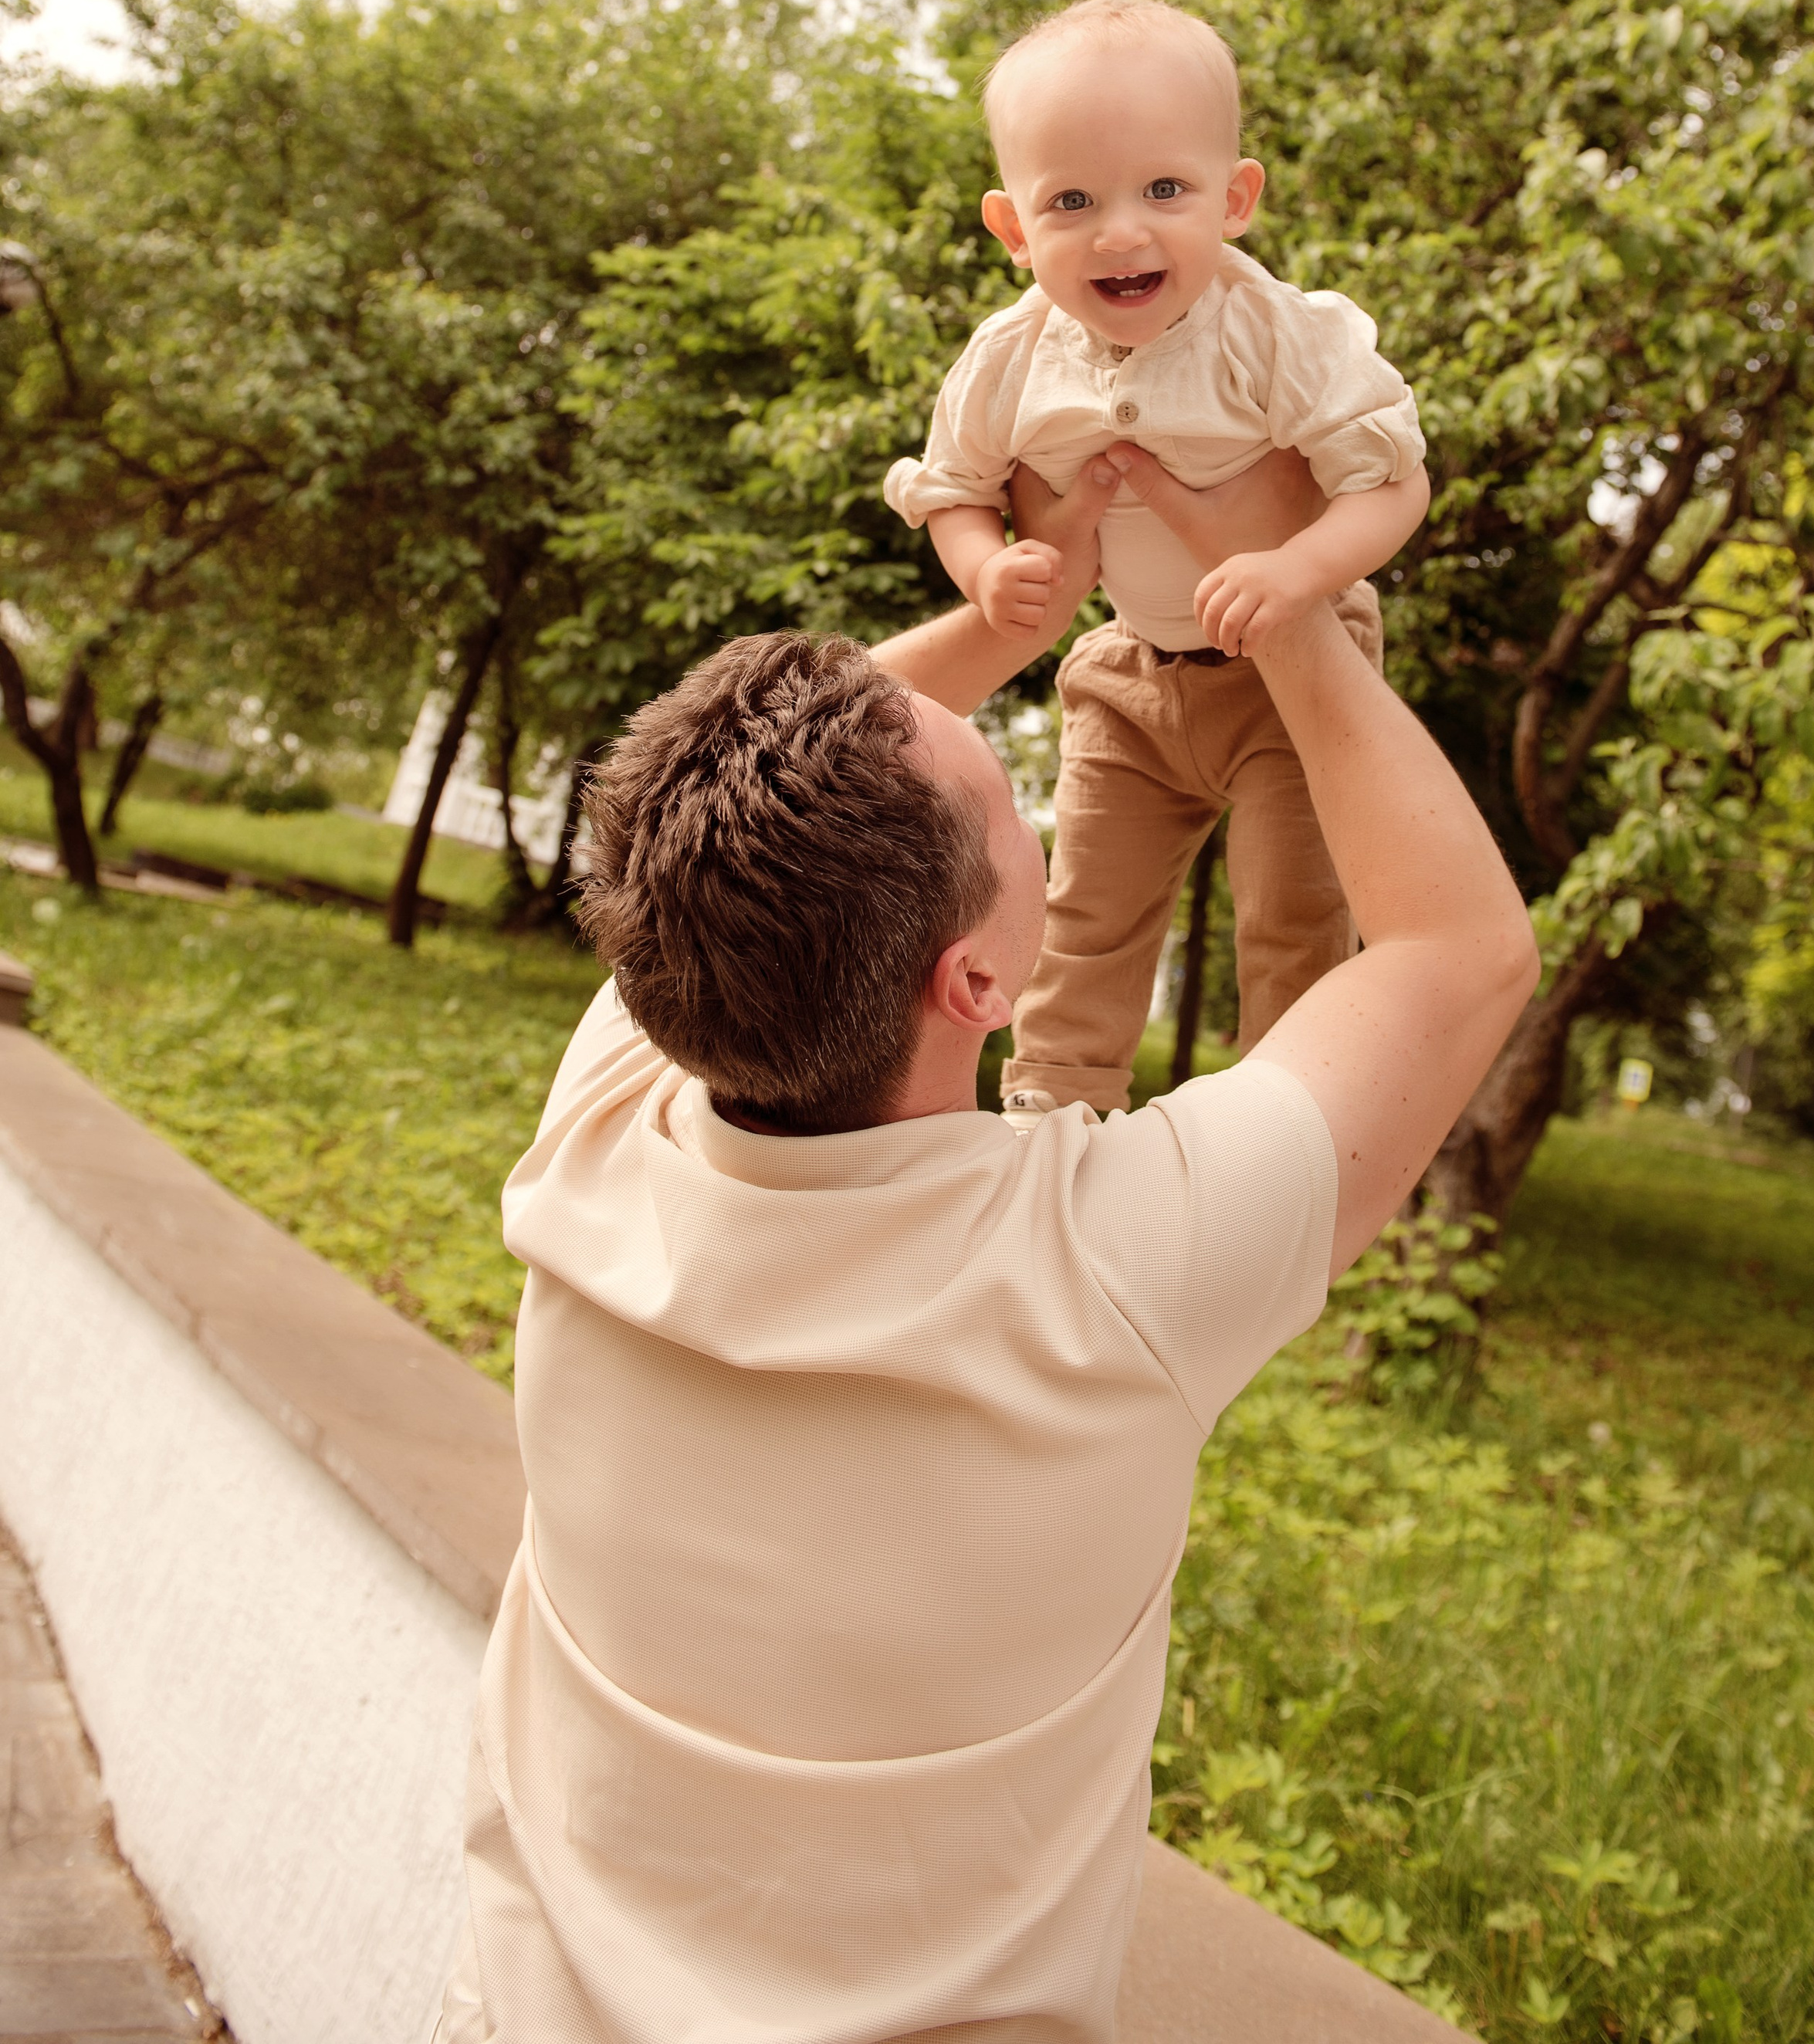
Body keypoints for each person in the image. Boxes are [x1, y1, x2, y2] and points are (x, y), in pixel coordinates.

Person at [435, 442, 1538, 2044]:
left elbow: (702, 833)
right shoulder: (1112, 1267)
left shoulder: (607, 1118)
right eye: (1015, 806)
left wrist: (1019, 611)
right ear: (976, 984)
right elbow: (1458, 946)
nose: (1038, 801)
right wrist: (1286, 594)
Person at [884, 0, 1430, 1122]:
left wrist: (1298, 571)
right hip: (1132, 676)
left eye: (1165, 191)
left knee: (1292, 916)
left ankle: (1285, 1124)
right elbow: (953, 490)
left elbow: (1392, 482)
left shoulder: (1279, 333)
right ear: (1014, 231)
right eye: (1072, 201)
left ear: (1235, 201)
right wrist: (986, 570)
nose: (1122, 231)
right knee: (1084, 913)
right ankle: (1052, 1113)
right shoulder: (1006, 360)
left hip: (1294, 675)